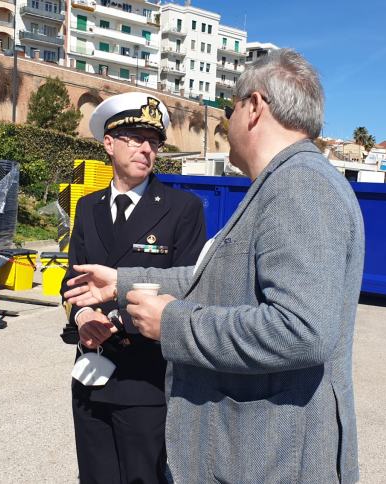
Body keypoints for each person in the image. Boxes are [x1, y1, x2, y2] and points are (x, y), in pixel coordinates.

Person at [65, 49, 365, 483]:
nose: (227, 123)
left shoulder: (301, 187)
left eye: (231, 108)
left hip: (275, 459)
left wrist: (172, 324)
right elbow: (209, 276)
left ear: (255, 108)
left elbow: (304, 330)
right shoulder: (284, 183)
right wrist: (122, 281)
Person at [59, 92, 207, 484]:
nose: (147, 149)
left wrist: (117, 316)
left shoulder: (181, 208)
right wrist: (84, 314)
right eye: (136, 138)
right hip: (91, 370)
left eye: (154, 142)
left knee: (143, 477)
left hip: (147, 377)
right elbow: (71, 281)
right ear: (108, 143)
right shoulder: (87, 206)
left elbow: (189, 287)